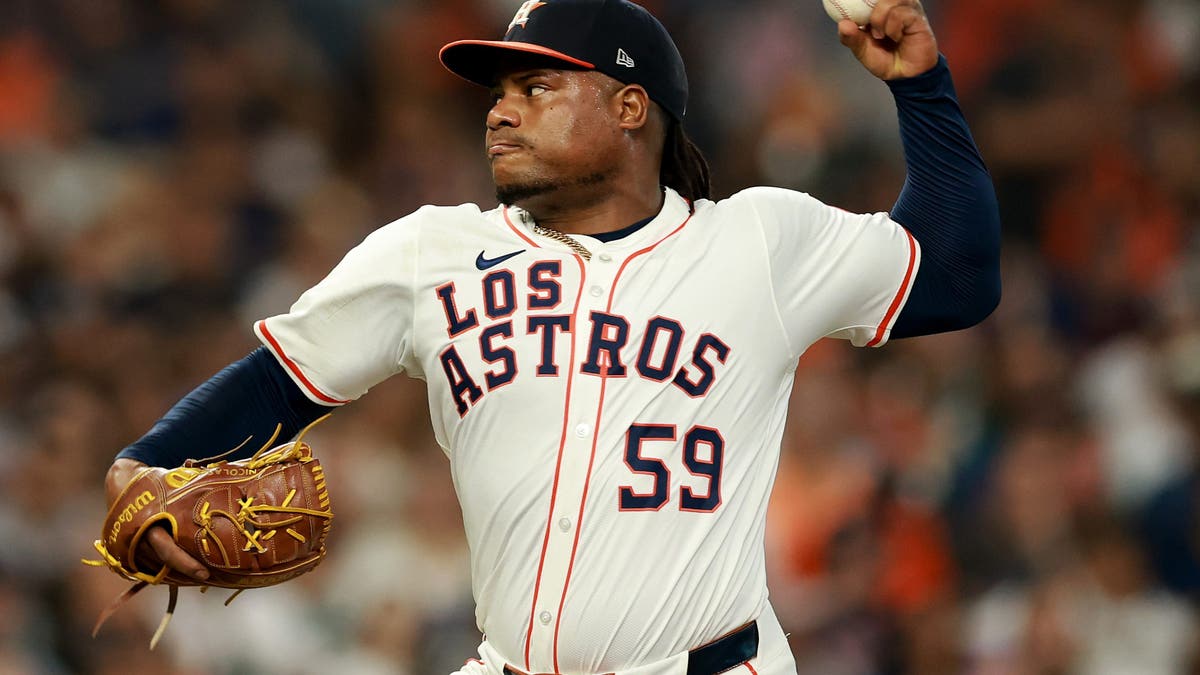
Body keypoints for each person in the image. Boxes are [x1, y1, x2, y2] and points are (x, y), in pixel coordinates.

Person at [103, 0, 1001, 672]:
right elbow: (277, 384)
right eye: (498, 93)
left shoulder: (755, 241)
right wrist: (145, 459)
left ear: (630, 108)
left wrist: (918, 85)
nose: (500, 111)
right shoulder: (433, 252)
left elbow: (954, 272)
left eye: (537, 87)